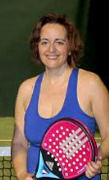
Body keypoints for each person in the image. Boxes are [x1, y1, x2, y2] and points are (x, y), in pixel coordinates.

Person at [11, 13, 109, 180]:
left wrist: (96, 158)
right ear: (38, 47)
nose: (51, 49)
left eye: (59, 42)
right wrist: (22, 174)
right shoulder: (26, 89)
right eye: (45, 42)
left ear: (70, 47)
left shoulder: (91, 84)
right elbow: (19, 143)